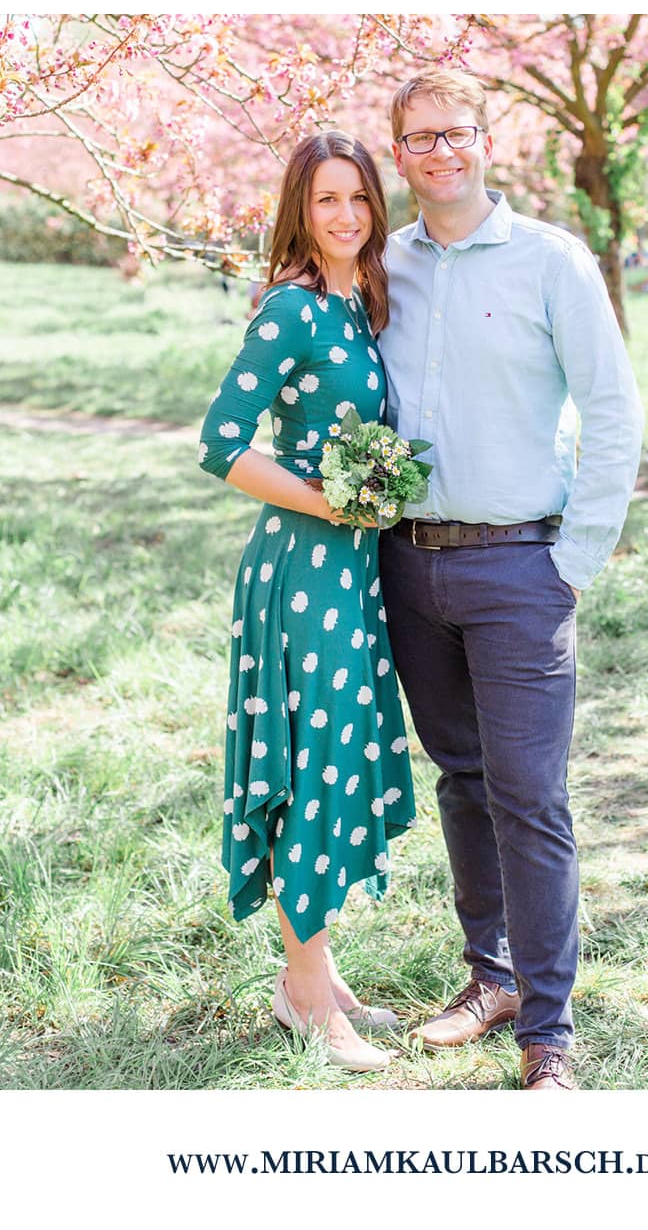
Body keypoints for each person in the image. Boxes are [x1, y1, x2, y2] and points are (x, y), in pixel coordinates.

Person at [379, 69, 643, 1091]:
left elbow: (613, 408)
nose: (437, 150)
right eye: (417, 137)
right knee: (461, 779)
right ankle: (485, 977)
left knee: (529, 795)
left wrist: (573, 560)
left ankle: (548, 1030)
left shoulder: (551, 261)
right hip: (409, 563)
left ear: (486, 141)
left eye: (454, 132)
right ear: (396, 153)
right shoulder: (382, 264)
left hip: (521, 565)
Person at [199, 132, 416, 1073]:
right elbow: (221, 443)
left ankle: (317, 970)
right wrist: (333, 501)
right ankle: (302, 995)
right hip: (300, 574)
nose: (346, 216)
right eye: (326, 200)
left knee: (338, 754)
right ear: (301, 209)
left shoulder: (357, 304)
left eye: (359, 198)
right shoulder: (291, 308)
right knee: (314, 767)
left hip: (352, 572)